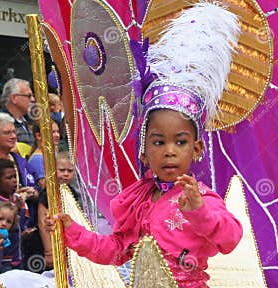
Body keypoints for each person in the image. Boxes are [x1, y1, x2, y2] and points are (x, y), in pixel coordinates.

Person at [46, 3, 243, 287]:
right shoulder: (137, 201)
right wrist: (72, 232)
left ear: (196, 149)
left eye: (181, 141)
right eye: (159, 142)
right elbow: (115, 250)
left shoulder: (201, 198)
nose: (169, 150)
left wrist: (199, 211)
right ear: (145, 151)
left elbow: (230, 239)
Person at [37, 151, 75, 269]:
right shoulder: (48, 192)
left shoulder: (72, 192)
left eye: (70, 171)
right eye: (62, 170)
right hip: (48, 242)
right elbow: (42, 222)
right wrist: (49, 251)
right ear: (54, 170)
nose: (65, 174)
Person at [1, 78, 35, 146]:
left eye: (32, 96)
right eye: (28, 96)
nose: (33, 99)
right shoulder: (2, 124)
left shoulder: (29, 121)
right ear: (14, 98)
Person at [28, 121, 60, 190]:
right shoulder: (38, 159)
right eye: (52, 132)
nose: (57, 135)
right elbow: (45, 187)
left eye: (58, 131)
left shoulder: (54, 152)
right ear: (38, 136)